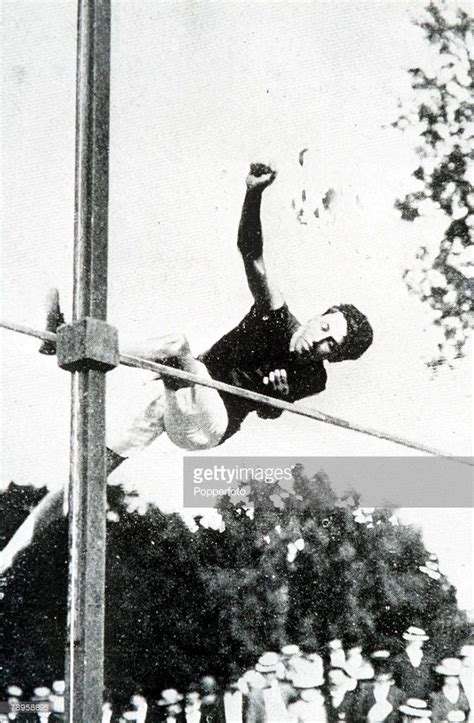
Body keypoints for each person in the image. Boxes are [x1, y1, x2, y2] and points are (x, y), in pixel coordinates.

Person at [0, 163, 373, 575]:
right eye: (323, 326)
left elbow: (268, 409)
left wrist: (278, 397)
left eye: (330, 346)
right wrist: (253, 193)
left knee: (177, 346)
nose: (317, 341)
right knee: (87, 471)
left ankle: (65, 341)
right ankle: (5, 561)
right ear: (319, 314)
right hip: (180, 393)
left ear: (334, 358)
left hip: (212, 422)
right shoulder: (275, 315)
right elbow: (251, 252)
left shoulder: (313, 377)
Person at [352, 651, 406, 722]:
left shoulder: (399, 694)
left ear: (391, 674)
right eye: (378, 670)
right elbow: (356, 715)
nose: (382, 674)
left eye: (386, 670)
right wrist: (369, 719)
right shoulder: (364, 691)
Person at [392, 628, 434, 700]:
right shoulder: (398, 660)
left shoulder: (428, 660)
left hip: (424, 701)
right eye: (414, 640)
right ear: (408, 640)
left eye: (419, 640)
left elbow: (432, 683)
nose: (417, 642)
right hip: (402, 700)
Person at [430, 658, 470, 723]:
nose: (452, 679)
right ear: (444, 677)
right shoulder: (436, 695)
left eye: (455, 676)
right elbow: (434, 717)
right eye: (449, 676)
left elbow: (467, 713)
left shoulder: (462, 694)